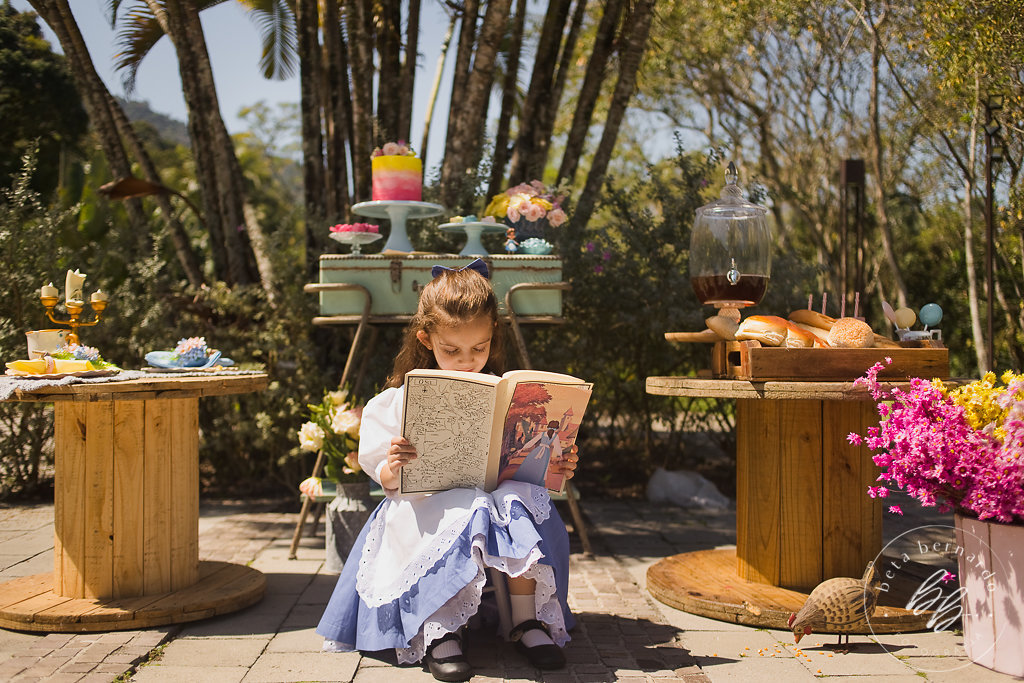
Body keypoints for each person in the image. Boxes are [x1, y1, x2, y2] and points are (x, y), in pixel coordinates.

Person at [316, 258, 579, 682]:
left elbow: (540, 472)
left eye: (479, 349)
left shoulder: (508, 396)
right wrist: (396, 464)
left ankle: (526, 621)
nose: (466, 361)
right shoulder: (398, 401)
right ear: (426, 339)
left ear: (493, 335)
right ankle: (442, 630)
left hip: (498, 493)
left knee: (515, 499)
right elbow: (383, 480)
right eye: (450, 350)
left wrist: (559, 462)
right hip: (425, 501)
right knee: (466, 507)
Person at [511, 420, 562, 487]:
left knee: (530, 463)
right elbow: (557, 447)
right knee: (541, 467)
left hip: (537, 451)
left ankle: (523, 479)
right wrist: (560, 454)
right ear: (557, 428)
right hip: (545, 453)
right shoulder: (555, 436)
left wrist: (523, 448)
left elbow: (533, 441)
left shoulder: (543, 433)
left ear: (548, 426)